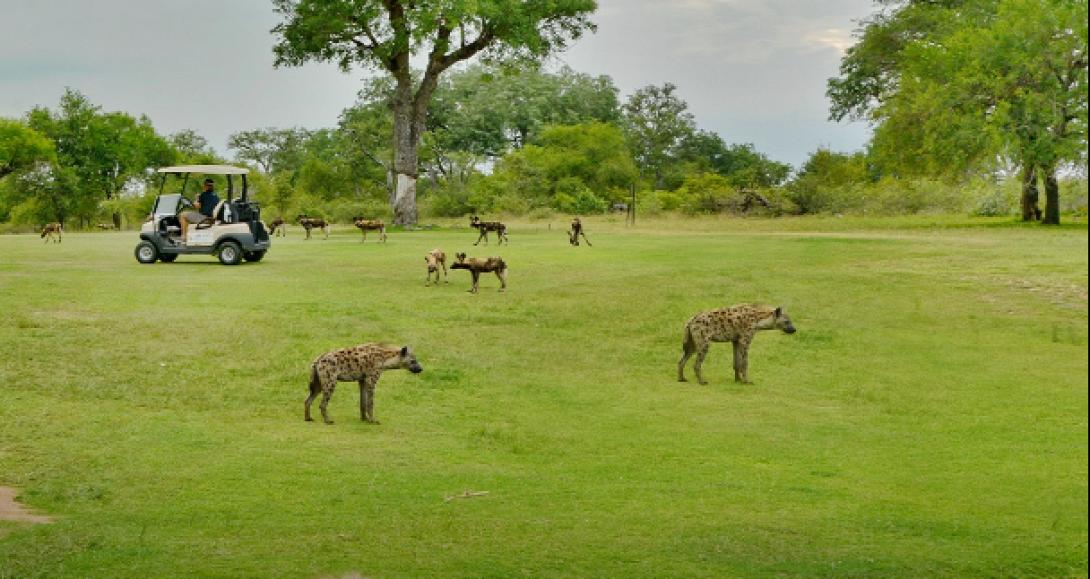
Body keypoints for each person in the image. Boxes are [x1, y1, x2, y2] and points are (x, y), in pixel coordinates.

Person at [178, 178, 221, 243]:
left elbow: (196, 206)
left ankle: (184, 237)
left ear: (206, 186)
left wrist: (196, 199)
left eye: (204, 186)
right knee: (191, 215)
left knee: (183, 215)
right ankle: (189, 235)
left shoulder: (204, 195)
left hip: (205, 219)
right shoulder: (216, 197)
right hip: (212, 219)